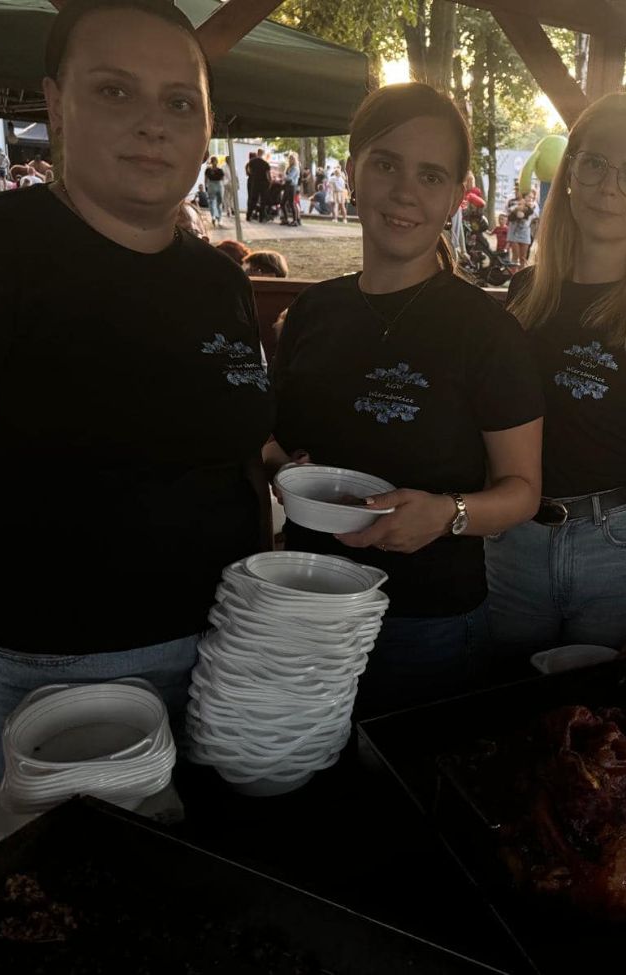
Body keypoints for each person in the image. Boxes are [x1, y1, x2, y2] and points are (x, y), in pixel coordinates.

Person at [0, 0, 273, 803]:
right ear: (55, 102)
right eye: (114, 92)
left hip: (227, 664)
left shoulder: (220, 280)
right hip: (54, 678)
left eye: (178, 102)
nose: (153, 125)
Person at [265, 83, 543, 715]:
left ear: (453, 195)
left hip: (431, 621)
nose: (404, 191)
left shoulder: (488, 331)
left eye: (430, 174)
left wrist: (447, 514)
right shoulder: (312, 311)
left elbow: (522, 490)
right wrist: (284, 470)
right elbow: (279, 443)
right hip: (308, 603)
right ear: (353, 171)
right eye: (386, 164)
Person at [489, 92, 626, 654]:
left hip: (618, 548)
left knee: (610, 727)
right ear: (571, 174)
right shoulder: (521, 295)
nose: (610, 187)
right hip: (513, 542)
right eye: (596, 164)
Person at [506, 189, 533, 266]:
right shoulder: (512, 202)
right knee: (515, 255)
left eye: (532, 197)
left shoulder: (532, 206)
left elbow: (530, 213)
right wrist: (518, 209)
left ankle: (521, 276)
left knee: (523, 258)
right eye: (529, 197)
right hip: (514, 233)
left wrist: (525, 208)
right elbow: (510, 217)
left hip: (525, 233)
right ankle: (512, 275)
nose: (530, 199)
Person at [245, 149, 269, 221]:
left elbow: (248, 170)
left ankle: (248, 216)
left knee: (253, 199)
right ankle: (261, 218)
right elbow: (268, 175)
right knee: (262, 200)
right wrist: (269, 181)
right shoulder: (265, 163)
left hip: (254, 183)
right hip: (263, 184)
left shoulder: (252, 162)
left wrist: (253, 175)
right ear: (263, 154)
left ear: (257, 153)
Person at [204, 155, 225, 227]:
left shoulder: (214, 170)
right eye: (214, 161)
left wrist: (206, 186)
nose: (214, 162)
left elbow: (206, 179)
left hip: (213, 184)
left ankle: (216, 217)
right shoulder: (217, 170)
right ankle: (217, 218)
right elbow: (222, 179)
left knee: (215, 202)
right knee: (215, 202)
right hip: (215, 184)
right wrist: (206, 186)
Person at [281, 151, 301, 227]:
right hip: (287, 186)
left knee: (291, 203)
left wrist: (284, 176)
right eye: (289, 158)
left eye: (292, 159)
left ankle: (295, 220)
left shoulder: (295, 168)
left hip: (292, 187)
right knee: (282, 203)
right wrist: (284, 176)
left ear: (295, 160)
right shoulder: (289, 167)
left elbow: (289, 178)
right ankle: (285, 219)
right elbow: (286, 177)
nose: (290, 160)